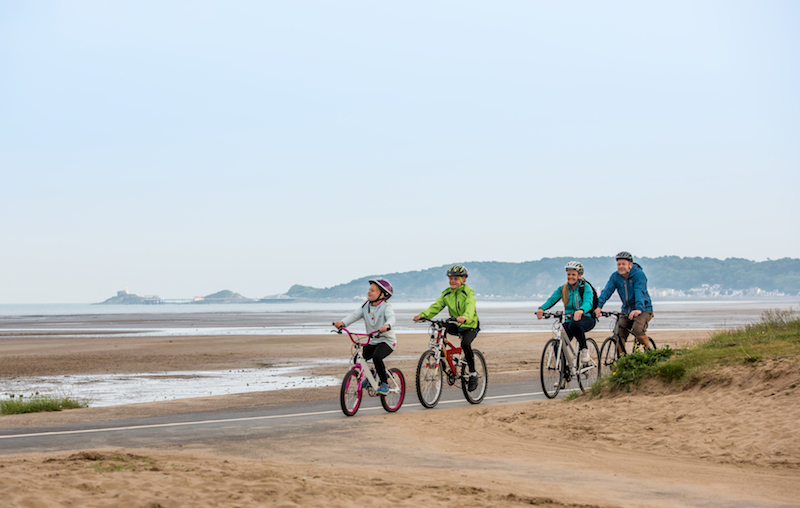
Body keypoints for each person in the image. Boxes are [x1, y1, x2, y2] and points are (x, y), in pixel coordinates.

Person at [413, 265, 481, 391]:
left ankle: (472, 374)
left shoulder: (468, 292)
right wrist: (423, 315)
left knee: (465, 344)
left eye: (456, 278)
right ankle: (442, 357)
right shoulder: (447, 293)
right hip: (455, 324)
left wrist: (465, 317)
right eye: (451, 278)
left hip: (470, 324)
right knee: (440, 327)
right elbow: (436, 306)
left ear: (463, 280)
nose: (452, 281)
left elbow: (470, 307)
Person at [334, 278, 396, 395]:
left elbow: (391, 318)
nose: (369, 292)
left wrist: (387, 325)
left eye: (372, 290)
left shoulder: (386, 307)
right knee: (359, 359)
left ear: (382, 294)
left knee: (377, 357)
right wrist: (342, 323)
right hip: (372, 340)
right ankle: (372, 375)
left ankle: (384, 384)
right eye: (369, 290)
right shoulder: (366, 306)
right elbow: (354, 315)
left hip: (387, 341)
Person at [536, 261, 596, 364]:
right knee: (557, 345)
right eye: (568, 274)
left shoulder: (585, 287)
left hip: (587, 318)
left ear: (579, 275)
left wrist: (581, 310)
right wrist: (542, 308)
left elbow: (588, 302)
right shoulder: (564, 288)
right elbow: (552, 299)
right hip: (570, 320)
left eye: (573, 274)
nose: (570, 277)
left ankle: (584, 349)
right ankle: (563, 370)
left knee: (574, 325)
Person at [593, 251, 654, 351]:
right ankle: (622, 360)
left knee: (637, 331)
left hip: (643, 309)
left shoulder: (639, 275)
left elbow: (639, 292)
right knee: (618, 335)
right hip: (626, 310)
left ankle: (650, 353)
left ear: (630, 264)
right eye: (619, 264)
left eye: (623, 264)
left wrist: (638, 309)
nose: (621, 266)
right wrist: (598, 306)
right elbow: (607, 291)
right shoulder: (615, 276)